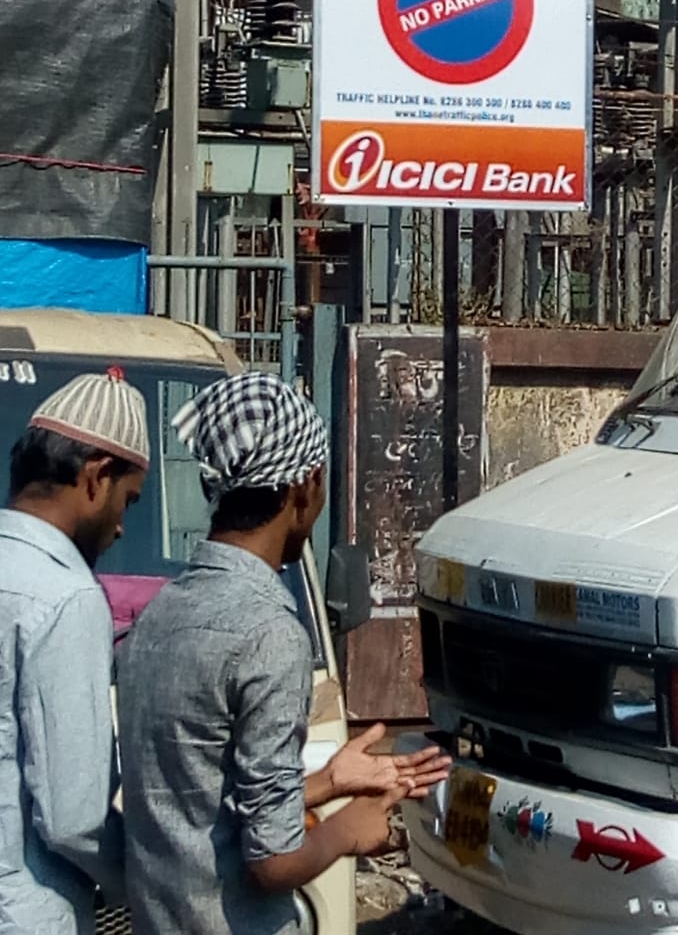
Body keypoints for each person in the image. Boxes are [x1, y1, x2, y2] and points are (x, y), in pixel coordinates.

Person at [118, 372, 450, 935]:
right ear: (306, 485)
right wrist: (349, 829)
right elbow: (273, 863)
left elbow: (202, 803)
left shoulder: (159, 614)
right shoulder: (270, 633)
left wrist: (329, 782)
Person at [0, 367, 150, 934]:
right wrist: (141, 883)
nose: (120, 528)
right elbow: (74, 820)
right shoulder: (67, 597)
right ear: (96, 477)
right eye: (127, 502)